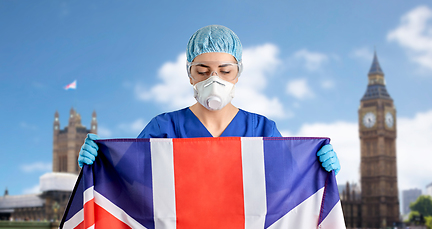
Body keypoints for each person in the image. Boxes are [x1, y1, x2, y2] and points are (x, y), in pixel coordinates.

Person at [78, 25, 340, 174]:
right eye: (202, 71)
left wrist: (317, 169)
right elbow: (128, 180)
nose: (214, 80)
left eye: (225, 71)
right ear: (190, 74)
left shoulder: (263, 130)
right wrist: (99, 164)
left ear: (238, 73)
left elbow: (289, 184)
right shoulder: (163, 128)